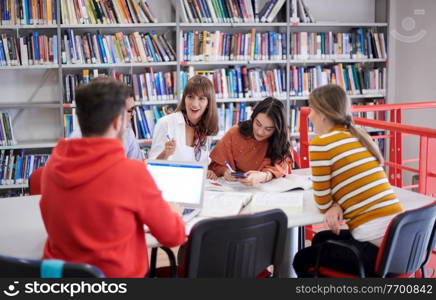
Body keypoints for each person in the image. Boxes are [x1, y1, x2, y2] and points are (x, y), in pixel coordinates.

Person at [40, 78, 186, 278]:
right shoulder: (131, 173)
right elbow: (173, 236)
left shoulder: (52, 166)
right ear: (119, 122)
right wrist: (174, 213)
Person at [293, 84, 404, 277]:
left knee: (302, 259)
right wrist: (337, 204)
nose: (309, 116)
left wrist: (333, 205)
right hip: (401, 246)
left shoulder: (321, 143)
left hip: (378, 255)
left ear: (323, 114)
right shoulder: (355, 136)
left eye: (311, 110)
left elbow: (322, 202)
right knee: (321, 238)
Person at [209, 97, 293, 186]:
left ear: (277, 129)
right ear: (253, 117)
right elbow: (216, 164)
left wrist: (264, 176)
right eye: (258, 124)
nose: (260, 132)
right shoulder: (235, 133)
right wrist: (225, 171)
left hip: (268, 193)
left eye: (268, 129)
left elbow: (284, 167)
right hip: (237, 191)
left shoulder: (280, 140)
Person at [149, 75, 219, 179]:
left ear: (208, 103)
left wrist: (208, 172)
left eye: (201, 99)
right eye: (190, 97)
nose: (195, 104)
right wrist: (165, 154)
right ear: (184, 99)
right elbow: (151, 168)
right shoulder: (166, 123)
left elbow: (201, 164)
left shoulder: (206, 127)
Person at [69, 91, 144, 160]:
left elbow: (137, 163)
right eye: (130, 110)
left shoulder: (128, 133)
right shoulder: (79, 137)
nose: (134, 113)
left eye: (134, 109)